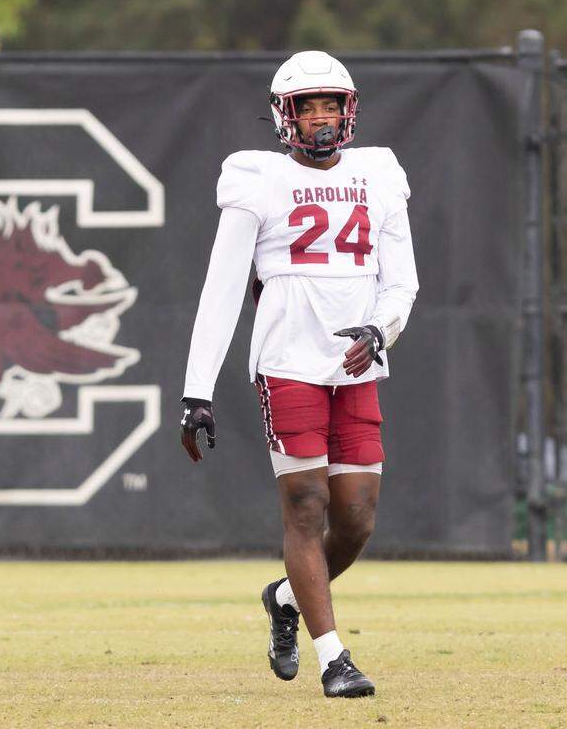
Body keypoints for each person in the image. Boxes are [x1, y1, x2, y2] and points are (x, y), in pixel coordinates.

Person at [179, 50, 418, 699]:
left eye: (330, 104)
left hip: (356, 364)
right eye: (307, 105)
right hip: (287, 360)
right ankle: (334, 658)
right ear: (284, 115)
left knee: (359, 517)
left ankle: (285, 597)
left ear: (349, 110)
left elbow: (402, 280)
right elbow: (222, 289)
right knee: (306, 508)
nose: (320, 117)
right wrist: (197, 390)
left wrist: (380, 329)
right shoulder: (257, 178)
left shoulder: (379, 172)